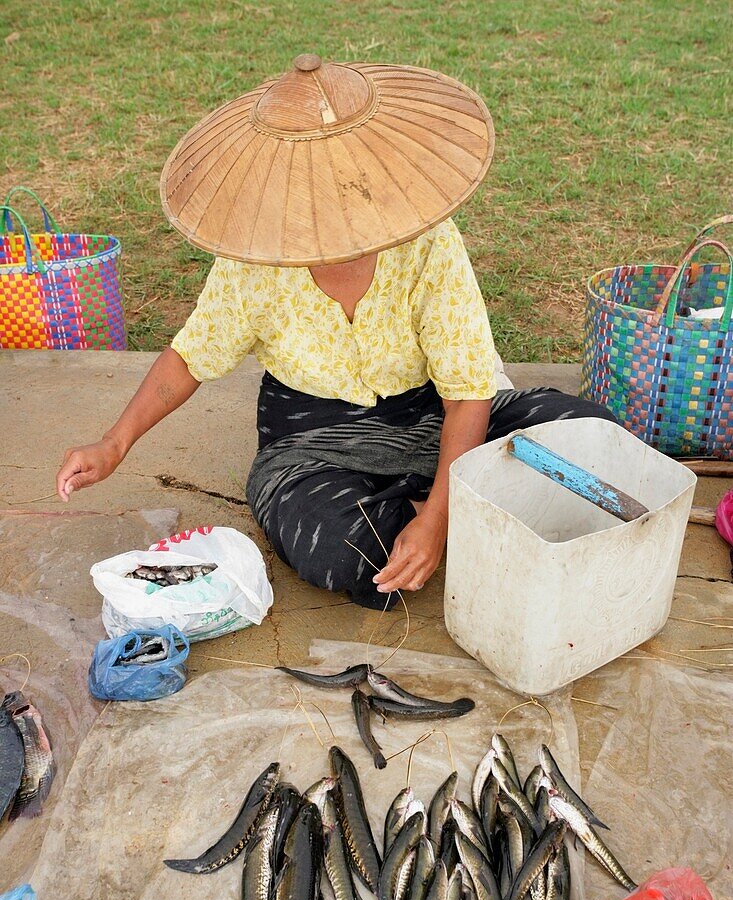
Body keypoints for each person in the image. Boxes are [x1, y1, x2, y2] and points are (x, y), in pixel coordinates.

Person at [56, 54, 615, 609]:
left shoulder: (429, 242)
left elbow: (467, 393)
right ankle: (459, 506)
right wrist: (114, 443)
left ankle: (433, 509)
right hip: (311, 439)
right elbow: (190, 357)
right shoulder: (256, 259)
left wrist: (436, 521)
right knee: (343, 549)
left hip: (429, 416)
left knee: (589, 437)